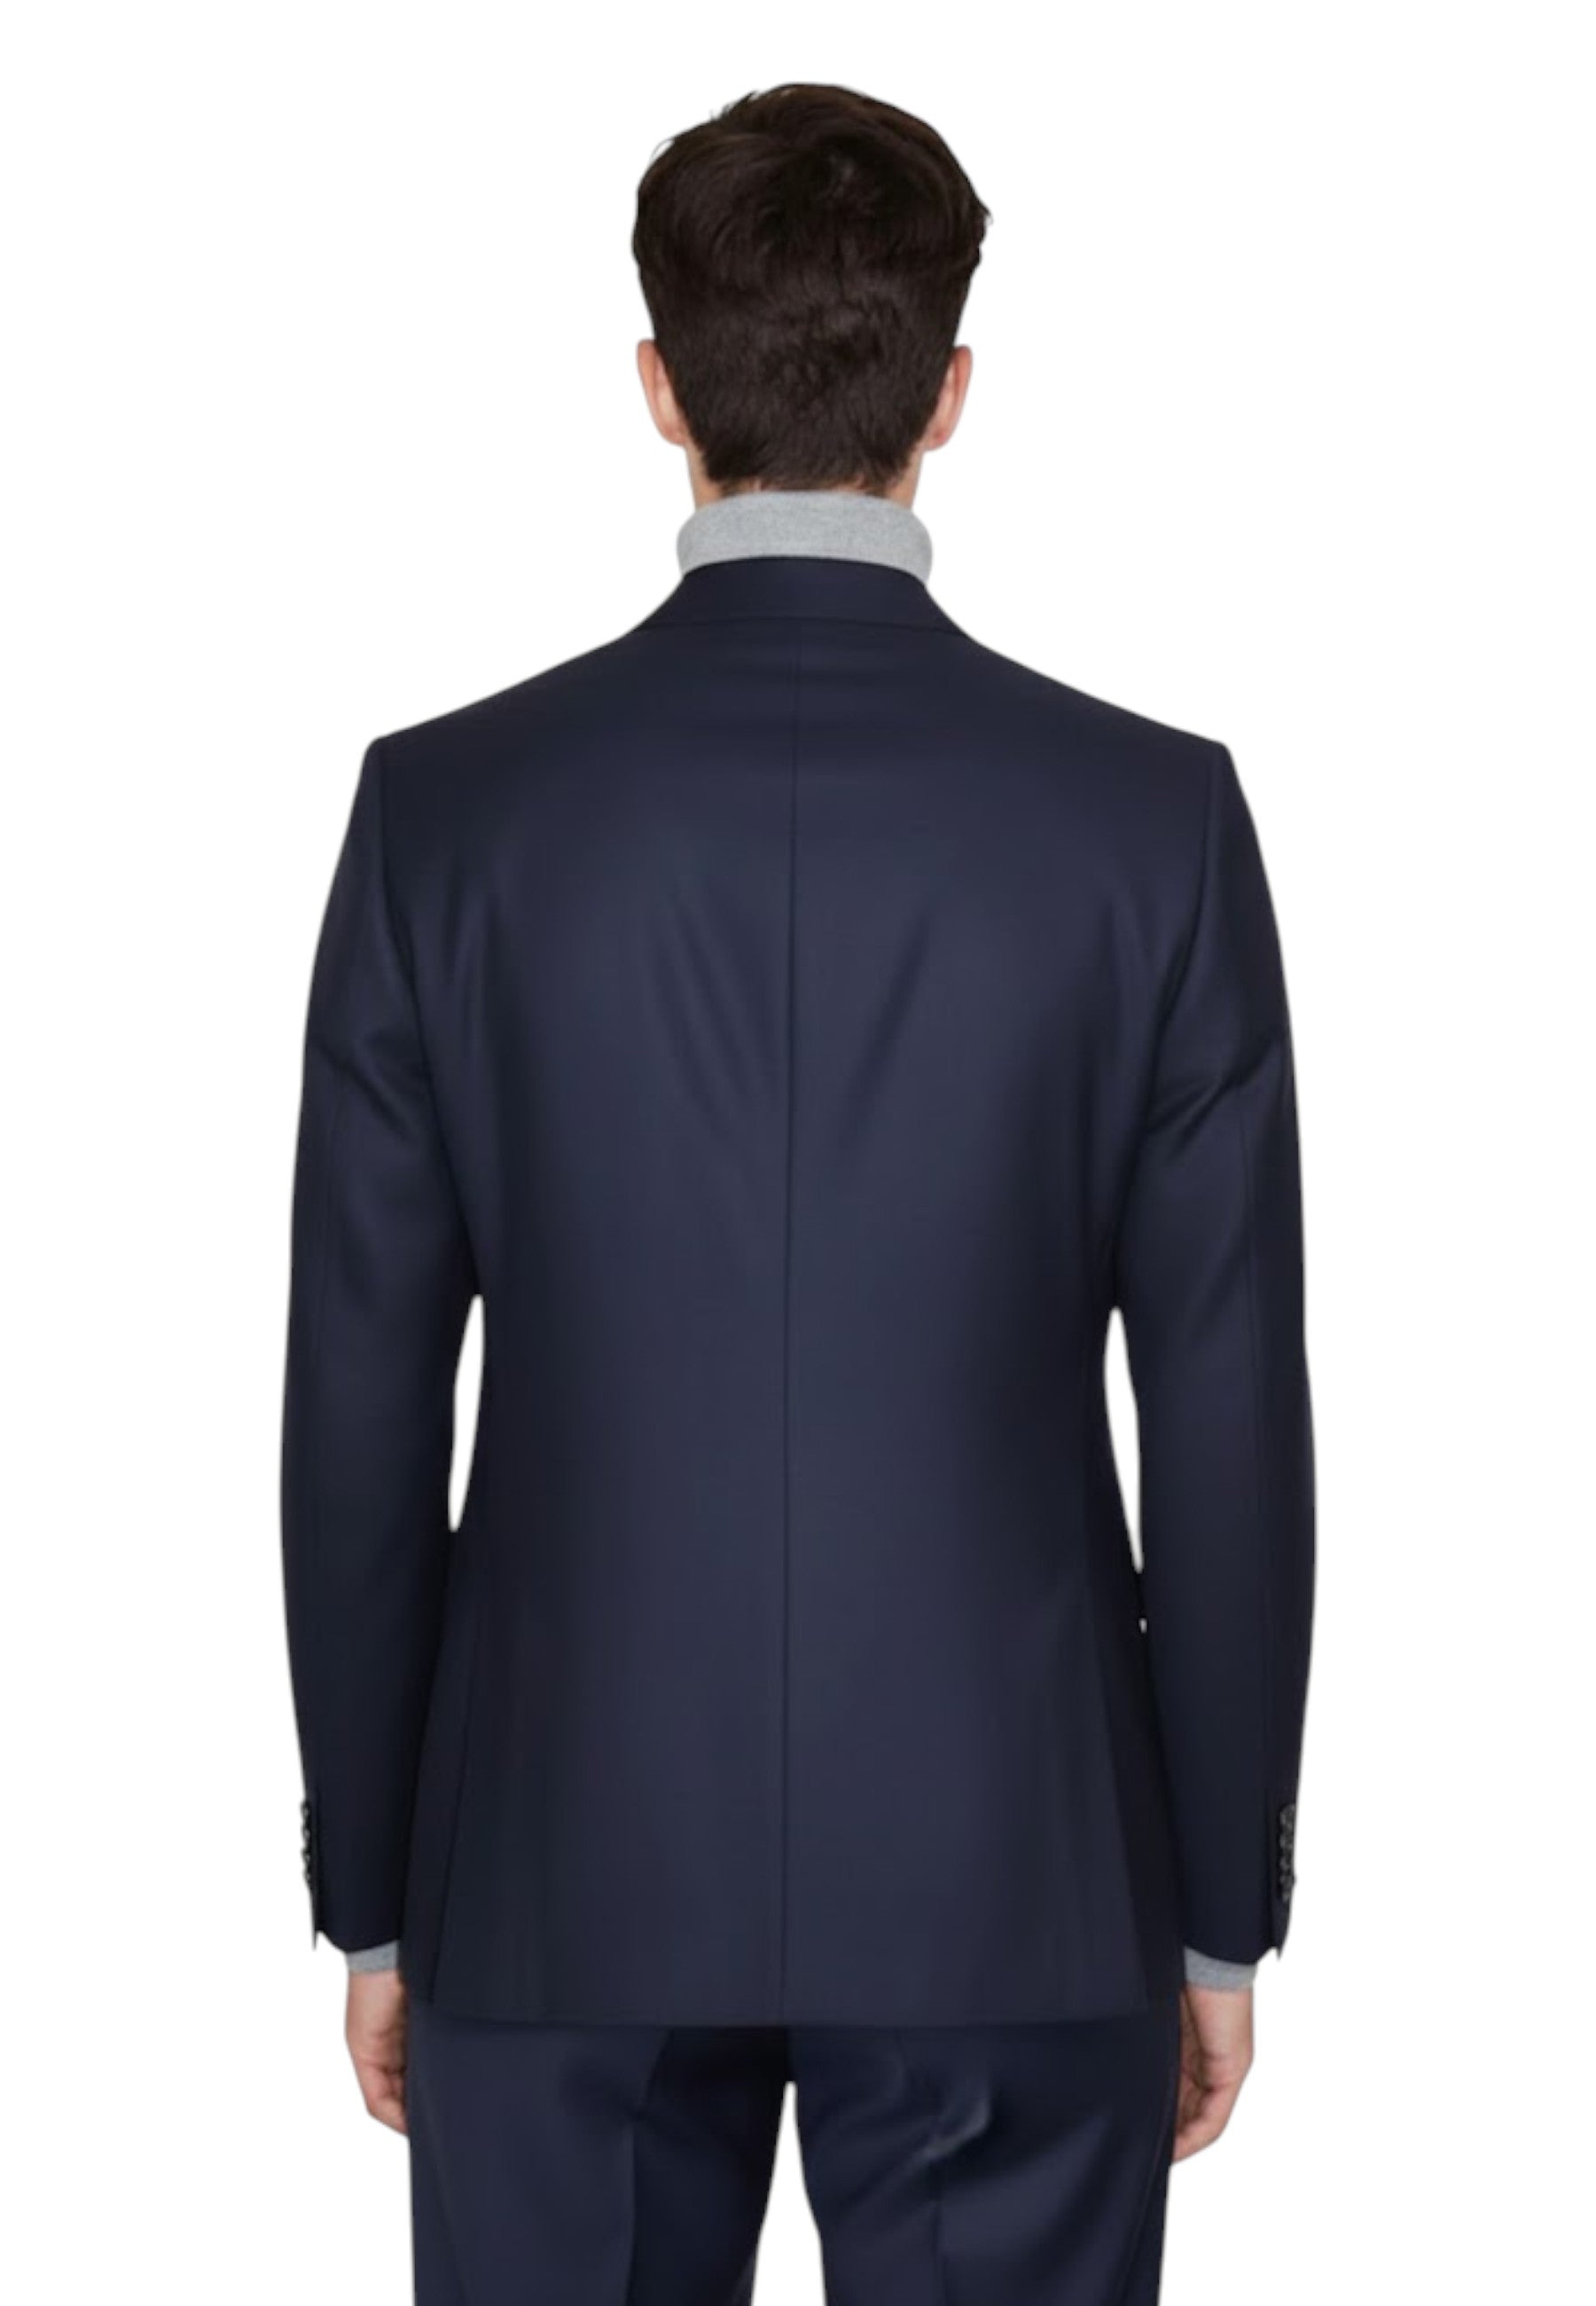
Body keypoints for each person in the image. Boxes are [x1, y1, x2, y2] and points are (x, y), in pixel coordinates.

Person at [280, 81, 1315, 2304]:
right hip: (1018, 1881)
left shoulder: (444, 819)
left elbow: (357, 1407)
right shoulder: (1153, 827)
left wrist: (372, 1893)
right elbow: (1229, 1416)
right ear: (952, 394)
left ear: (660, 386)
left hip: (549, 1872)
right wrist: (1219, 1914)